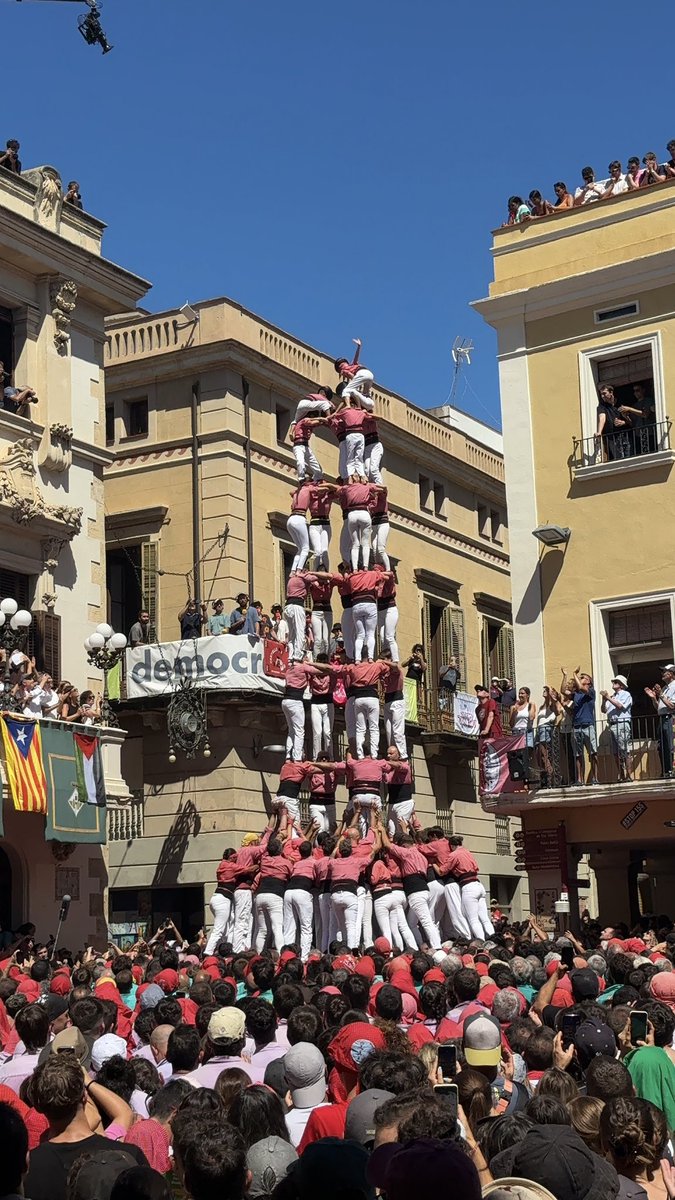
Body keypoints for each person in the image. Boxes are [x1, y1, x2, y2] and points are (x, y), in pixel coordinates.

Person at [23, 1055, 146, 1200]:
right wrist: (88, 1082)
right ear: (84, 1096)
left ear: (38, 1107)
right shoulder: (127, 1156)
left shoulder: (27, 1167)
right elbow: (125, 1113)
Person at [446, 833, 495, 940]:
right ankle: (494, 939)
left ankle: (481, 942)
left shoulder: (454, 855)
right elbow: (476, 867)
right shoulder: (467, 852)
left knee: (473, 920)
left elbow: (443, 870)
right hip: (479, 885)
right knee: (485, 919)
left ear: (452, 846)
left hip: (468, 887)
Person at [566, 668, 598, 786]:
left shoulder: (591, 692)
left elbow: (581, 688)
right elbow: (563, 691)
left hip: (588, 726)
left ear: (589, 681)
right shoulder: (576, 695)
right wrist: (565, 675)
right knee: (578, 755)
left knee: (593, 753)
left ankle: (595, 778)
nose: (580, 679)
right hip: (576, 727)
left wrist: (574, 674)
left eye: (583, 677)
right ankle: (580, 779)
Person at [601, 675, 633, 782]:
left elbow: (620, 706)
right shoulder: (612, 696)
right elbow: (603, 710)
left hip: (622, 724)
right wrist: (603, 699)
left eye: (616, 681)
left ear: (621, 685)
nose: (613, 683)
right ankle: (621, 775)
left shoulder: (626, 694)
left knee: (624, 750)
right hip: (612, 725)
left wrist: (608, 698)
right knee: (616, 753)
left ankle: (628, 775)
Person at [645, 665, 675, 779]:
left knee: (670, 745)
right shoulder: (665, 688)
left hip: (670, 719)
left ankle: (671, 771)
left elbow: (672, 706)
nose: (662, 673)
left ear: (671, 674)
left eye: (665, 671)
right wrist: (653, 698)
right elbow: (659, 708)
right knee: (661, 747)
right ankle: (665, 771)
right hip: (662, 718)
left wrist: (660, 694)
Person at [333, 337, 375, 411]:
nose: (343, 366)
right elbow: (356, 357)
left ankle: (348, 405)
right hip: (370, 375)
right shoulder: (353, 365)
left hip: (361, 374)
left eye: (342, 365)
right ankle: (364, 406)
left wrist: (354, 385)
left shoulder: (344, 370)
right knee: (366, 394)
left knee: (346, 390)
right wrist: (359, 346)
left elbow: (352, 376)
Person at [596, 384, 630, 461]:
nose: (602, 396)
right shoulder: (602, 406)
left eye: (604, 393)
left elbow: (631, 420)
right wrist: (599, 432)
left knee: (630, 457)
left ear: (611, 392)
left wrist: (624, 422)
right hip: (612, 438)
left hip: (625, 435)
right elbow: (602, 418)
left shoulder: (621, 402)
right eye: (601, 394)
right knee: (619, 459)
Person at [535, 686, 561, 787]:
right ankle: (547, 774)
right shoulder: (543, 705)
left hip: (546, 728)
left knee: (544, 753)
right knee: (540, 755)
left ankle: (550, 773)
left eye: (546, 691)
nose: (544, 692)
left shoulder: (553, 704)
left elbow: (558, 712)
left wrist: (550, 692)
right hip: (539, 730)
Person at [291, 416, 325, 482]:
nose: (309, 432)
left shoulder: (309, 425)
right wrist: (320, 418)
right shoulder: (304, 420)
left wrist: (324, 421)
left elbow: (318, 424)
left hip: (306, 447)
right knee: (300, 462)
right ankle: (301, 479)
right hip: (298, 446)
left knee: (317, 467)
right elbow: (313, 422)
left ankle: (316, 479)